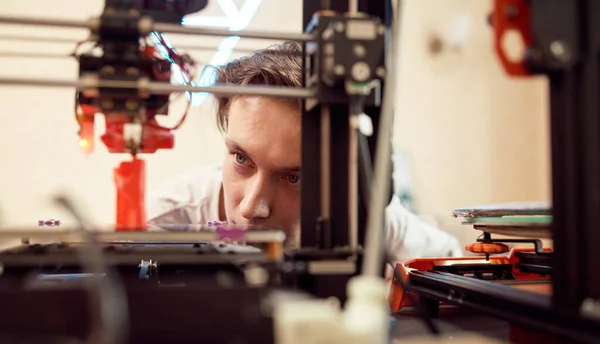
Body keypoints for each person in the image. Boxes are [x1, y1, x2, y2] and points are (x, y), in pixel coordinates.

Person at [146, 41, 462, 261]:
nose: (252, 207)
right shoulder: (170, 219)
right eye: (242, 159)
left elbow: (452, 266)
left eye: (294, 178)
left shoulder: (362, 218)